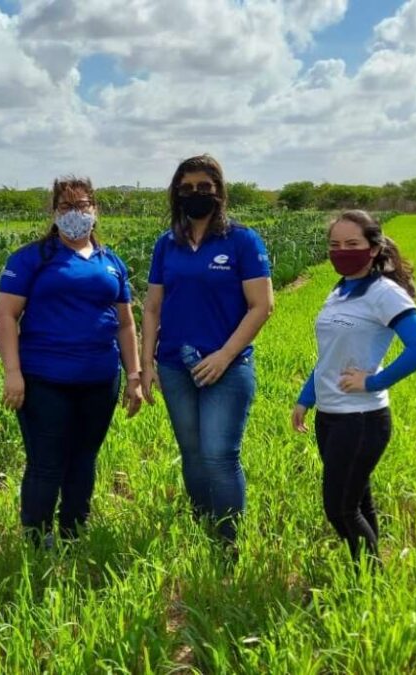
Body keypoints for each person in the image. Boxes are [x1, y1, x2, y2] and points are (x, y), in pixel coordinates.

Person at [0, 176, 143, 547]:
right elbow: (6, 316)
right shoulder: (32, 258)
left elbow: (126, 323)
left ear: (95, 210)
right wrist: (12, 372)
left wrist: (135, 376)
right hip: (44, 378)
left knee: (83, 459)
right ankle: (35, 539)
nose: (74, 213)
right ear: (54, 212)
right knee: (46, 464)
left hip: (99, 379)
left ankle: (74, 534)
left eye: (82, 206)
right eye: (66, 206)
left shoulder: (112, 263)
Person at [140, 155, 274, 543]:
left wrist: (225, 355)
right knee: (193, 454)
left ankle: (228, 542)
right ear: (176, 194)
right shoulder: (167, 244)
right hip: (174, 365)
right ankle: (203, 529)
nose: (195, 195)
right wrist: (146, 364)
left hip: (227, 367)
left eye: (203, 187)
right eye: (186, 189)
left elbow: (262, 305)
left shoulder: (242, 240)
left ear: (218, 192)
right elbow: (151, 307)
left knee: (219, 455)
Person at [291, 209, 416, 565]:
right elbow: (331, 355)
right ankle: (368, 576)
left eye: (352, 243)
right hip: (330, 415)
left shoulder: (384, 293)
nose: (341, 251)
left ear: (372, 248)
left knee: (339, 508)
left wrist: (372, 382)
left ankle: (370, 576)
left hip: (361, 418)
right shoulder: (339, 291)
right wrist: (306, 398)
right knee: (357, 499)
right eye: (335, 244)